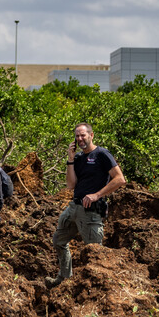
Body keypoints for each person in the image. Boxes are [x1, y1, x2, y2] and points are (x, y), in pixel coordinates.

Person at [47, 123, 126, 288]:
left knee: (95, 251)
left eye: (83, 135)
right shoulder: (78, 158)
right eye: (77, 136)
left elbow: (120, 179)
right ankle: (64, 279)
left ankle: (100, 288)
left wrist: (97, 195)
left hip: (91, 211)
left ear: (91, 135)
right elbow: (71, 185)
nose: (80, 139)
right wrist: (70, 159)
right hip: (74, 207)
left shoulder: (102, 154)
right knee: (59, 240)